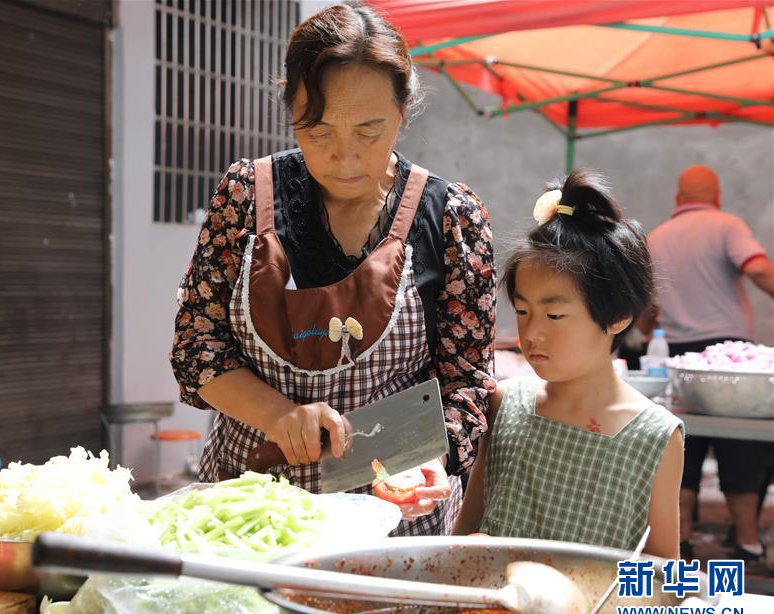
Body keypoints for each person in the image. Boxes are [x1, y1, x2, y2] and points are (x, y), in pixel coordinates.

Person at [170, 3, 495, 536]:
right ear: (290, 111)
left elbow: (467, 382)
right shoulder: (246, 196)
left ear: (404, 109)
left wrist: (432, 461)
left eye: (369, 132)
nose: (344, 159)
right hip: (251, 513)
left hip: (397, 521)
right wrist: (278, 414)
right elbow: (196, 346)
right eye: (317, 132)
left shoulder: (451, 217)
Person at [453, 169, 684, 559]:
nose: (533, 333)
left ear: (618, 316)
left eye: (555, 316)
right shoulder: (504, 402)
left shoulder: (654, 436)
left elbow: (661, 573)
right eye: (523, 311)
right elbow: (465, 534)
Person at [642, 165, 774, 562]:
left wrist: (650, 331)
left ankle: (682, 539)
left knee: (684, 445)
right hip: (729, 356)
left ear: (678, 199)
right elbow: (757, 268)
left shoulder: (656, 238)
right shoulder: (726, 224)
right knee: (739, 448)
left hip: (679, 358)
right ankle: (747, 541)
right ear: (716, 195)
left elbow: (648, 306)